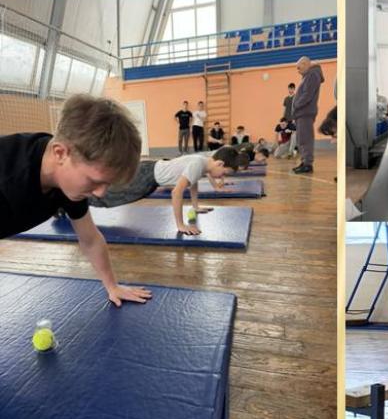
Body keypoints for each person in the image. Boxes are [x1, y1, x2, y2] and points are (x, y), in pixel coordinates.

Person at [0, 94, 152, 305]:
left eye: (106, 184)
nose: (100, 193)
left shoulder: (67, 177)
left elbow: (90, 239)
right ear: (60, 153)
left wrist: (112, 286)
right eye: (94, 181)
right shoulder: (9, 179)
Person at [89, 146, 241, 235]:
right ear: (220, 163)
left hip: (149, 170)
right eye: (224, 173)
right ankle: (81, 199)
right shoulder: (198, 164)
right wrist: (181, 225)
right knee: (114, 197)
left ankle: (86, 189)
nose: (222, 177)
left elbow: (193, 183)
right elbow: (177, 192)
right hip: (147, 177)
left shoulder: (202, 162)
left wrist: (195, 207)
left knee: (114, 189)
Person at [292, 56, 325, 174]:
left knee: (305, 139)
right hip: (302, 113)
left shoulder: (312, 75)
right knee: (301, 139)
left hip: (305, 112)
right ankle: (304, 161)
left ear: (305, 64)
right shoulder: (308, 76)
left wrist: (296, 105)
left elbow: (307, 94)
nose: (298, 70)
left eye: (299, 67)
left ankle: (307, 164)